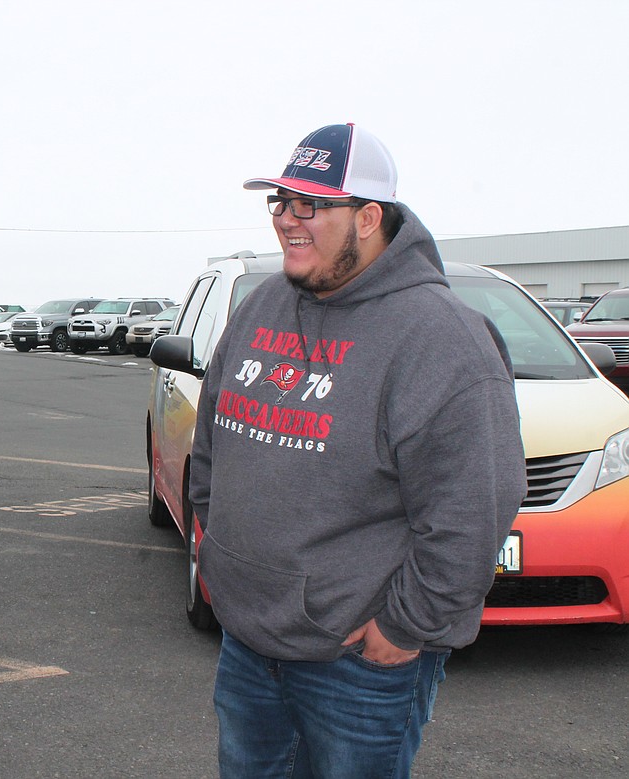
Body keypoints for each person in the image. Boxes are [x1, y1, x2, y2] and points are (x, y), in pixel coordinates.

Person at [188, 123, 526, 778]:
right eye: (280, 202)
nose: (287, 219)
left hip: (356, 667)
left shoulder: (441, 339)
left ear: (368, 217)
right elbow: (211, 450)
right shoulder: (261, 307)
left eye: (309, 205)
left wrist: (404, 627)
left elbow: (473, 511)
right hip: (247, 647)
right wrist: (225, 556)